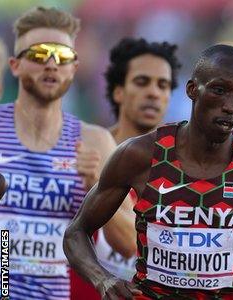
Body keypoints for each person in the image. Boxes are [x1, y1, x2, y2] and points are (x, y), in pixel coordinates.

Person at [64, 44, 233, 299]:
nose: (232, 106)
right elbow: (76, 232)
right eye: (219, 90)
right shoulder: (141, 154)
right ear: (192, 90)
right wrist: (103, 280)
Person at [0, 6, 136, 299]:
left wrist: (97, 187)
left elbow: (130, 244)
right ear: (15, 65)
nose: (51, 63)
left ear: (73, 68)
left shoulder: (94, 141)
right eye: (38, 54)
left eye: (62, 56)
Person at [95, 37, 181, 281]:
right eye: (142, 82)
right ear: (118, 91)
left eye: (163, 85)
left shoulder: (184, 169)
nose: (153, 92)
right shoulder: (86, 153)